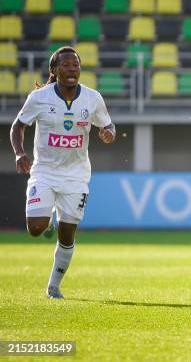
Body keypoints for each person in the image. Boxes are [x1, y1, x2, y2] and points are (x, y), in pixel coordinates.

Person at [10, 46, 116, 298]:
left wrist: (109, 133)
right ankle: (46, 216)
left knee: (66, 233)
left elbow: (109, 125)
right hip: (44, 171)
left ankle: (53, 286)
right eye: (66, 65)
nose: (71, 69)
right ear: (54, 70)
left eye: (75, 65)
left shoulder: (92, 98)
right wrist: (19, 153)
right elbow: (17, 126)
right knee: (36, 228)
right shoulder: (39, 98)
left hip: (76, 175)